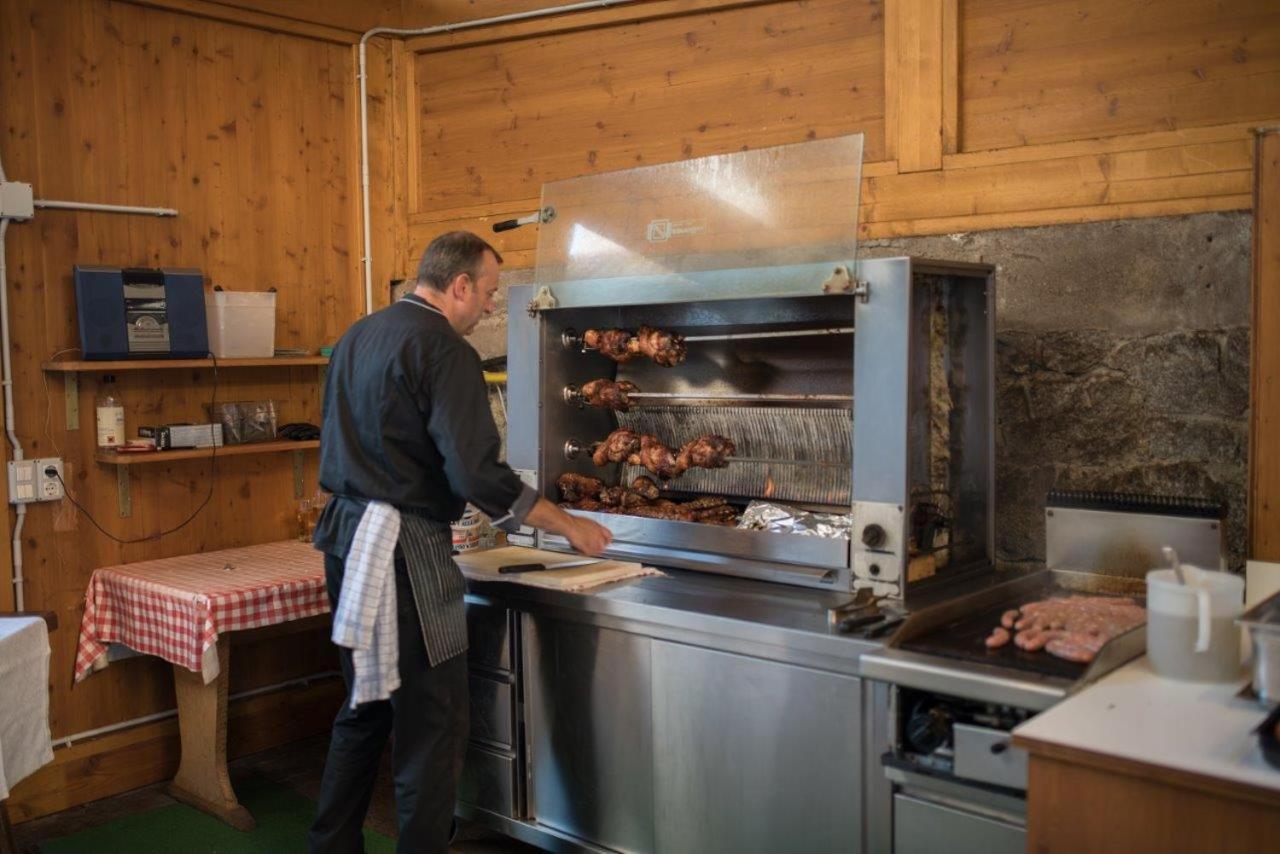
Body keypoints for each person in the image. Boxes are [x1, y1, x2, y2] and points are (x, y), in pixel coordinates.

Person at [308, 231, 612, 853]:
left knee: (365, 707)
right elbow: (475, 474)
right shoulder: (445, 350)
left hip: (345, 541)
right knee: (429, 725)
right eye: (491, 293)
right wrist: (569, 525)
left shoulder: (357, 335)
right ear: (460, 285)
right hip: (401, 551)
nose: (492, 309)